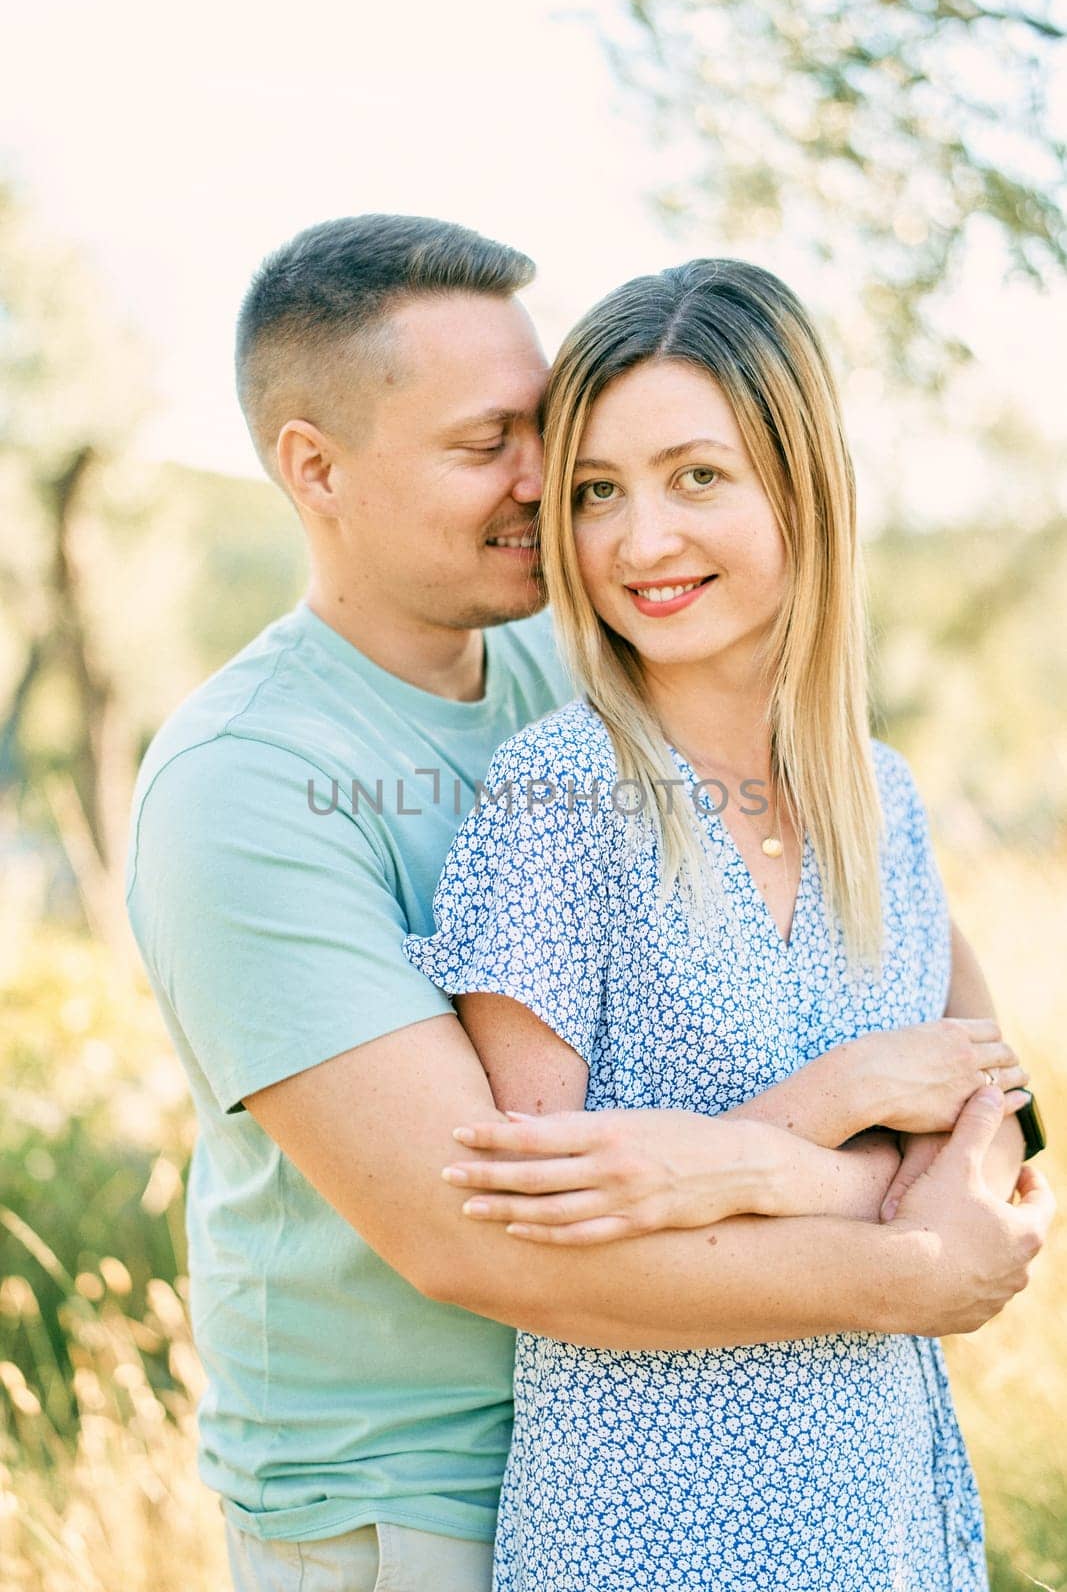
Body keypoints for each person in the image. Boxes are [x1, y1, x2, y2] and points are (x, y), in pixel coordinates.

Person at [125, 218, 1051, 1592]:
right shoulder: (246, 784)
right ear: (313, 469)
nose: (548, 486)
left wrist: (779, 1169)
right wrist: (911, 1260)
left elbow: (983, 1092)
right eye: (486, 441)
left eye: (546, 429)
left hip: (798, 1464)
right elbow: (494, 1236)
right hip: (409, 1501)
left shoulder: (602, 665)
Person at [403, 258, 1046, 1589]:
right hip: (649, 1528)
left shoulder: (886, 801)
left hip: (884, 1514)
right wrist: (844, 1098)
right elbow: (546, 1224)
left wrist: (747, 1170)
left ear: (800, 489)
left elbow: (1004, 1163)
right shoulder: (557, 794)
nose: (641, 542)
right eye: (597, 492)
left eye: (698, 476)